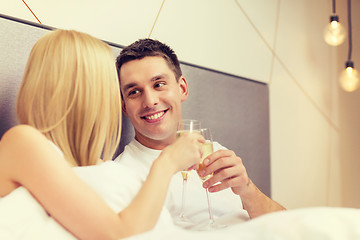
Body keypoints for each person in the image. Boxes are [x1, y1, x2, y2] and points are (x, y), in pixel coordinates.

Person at [0, 30, 204, 239]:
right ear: (85, 90)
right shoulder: (23, 142)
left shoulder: (90, 166)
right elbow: (117, 234)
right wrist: (167, 163)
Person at [114, 38, 285, 225]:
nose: (150, 101)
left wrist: (247, 190)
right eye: (134, 92)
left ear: (182, 89)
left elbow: (288, 226)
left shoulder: (213, 152)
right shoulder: (121, 174)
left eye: (159, 84)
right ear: (124, 107)